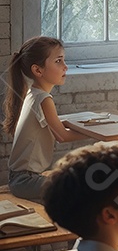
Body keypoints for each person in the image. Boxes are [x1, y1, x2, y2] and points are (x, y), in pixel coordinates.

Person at [4, 36, 80, 199]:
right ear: (38, 70)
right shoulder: (44, 99)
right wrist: (95, 133)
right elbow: (62, 136)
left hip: (20, 178)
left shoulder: (33, 94)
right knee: (80, 188)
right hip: (26, 181)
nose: (65, 67)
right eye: (58, 61)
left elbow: (56, 127)